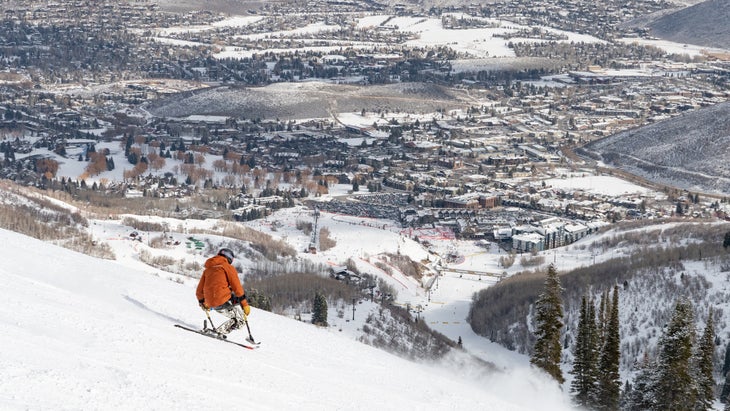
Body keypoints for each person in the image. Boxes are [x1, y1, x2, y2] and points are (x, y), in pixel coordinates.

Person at [196, 248, 251, 335]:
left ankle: (219, 331)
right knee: (241, 320)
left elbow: (199, 291)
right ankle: (220, 332)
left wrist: (203, 302)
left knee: (234, 300)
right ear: (230, 258)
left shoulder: (207, 270)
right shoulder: (228, 267)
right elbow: (237, 287)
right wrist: (244, 304)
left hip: (210, 302)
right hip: (221, 300)